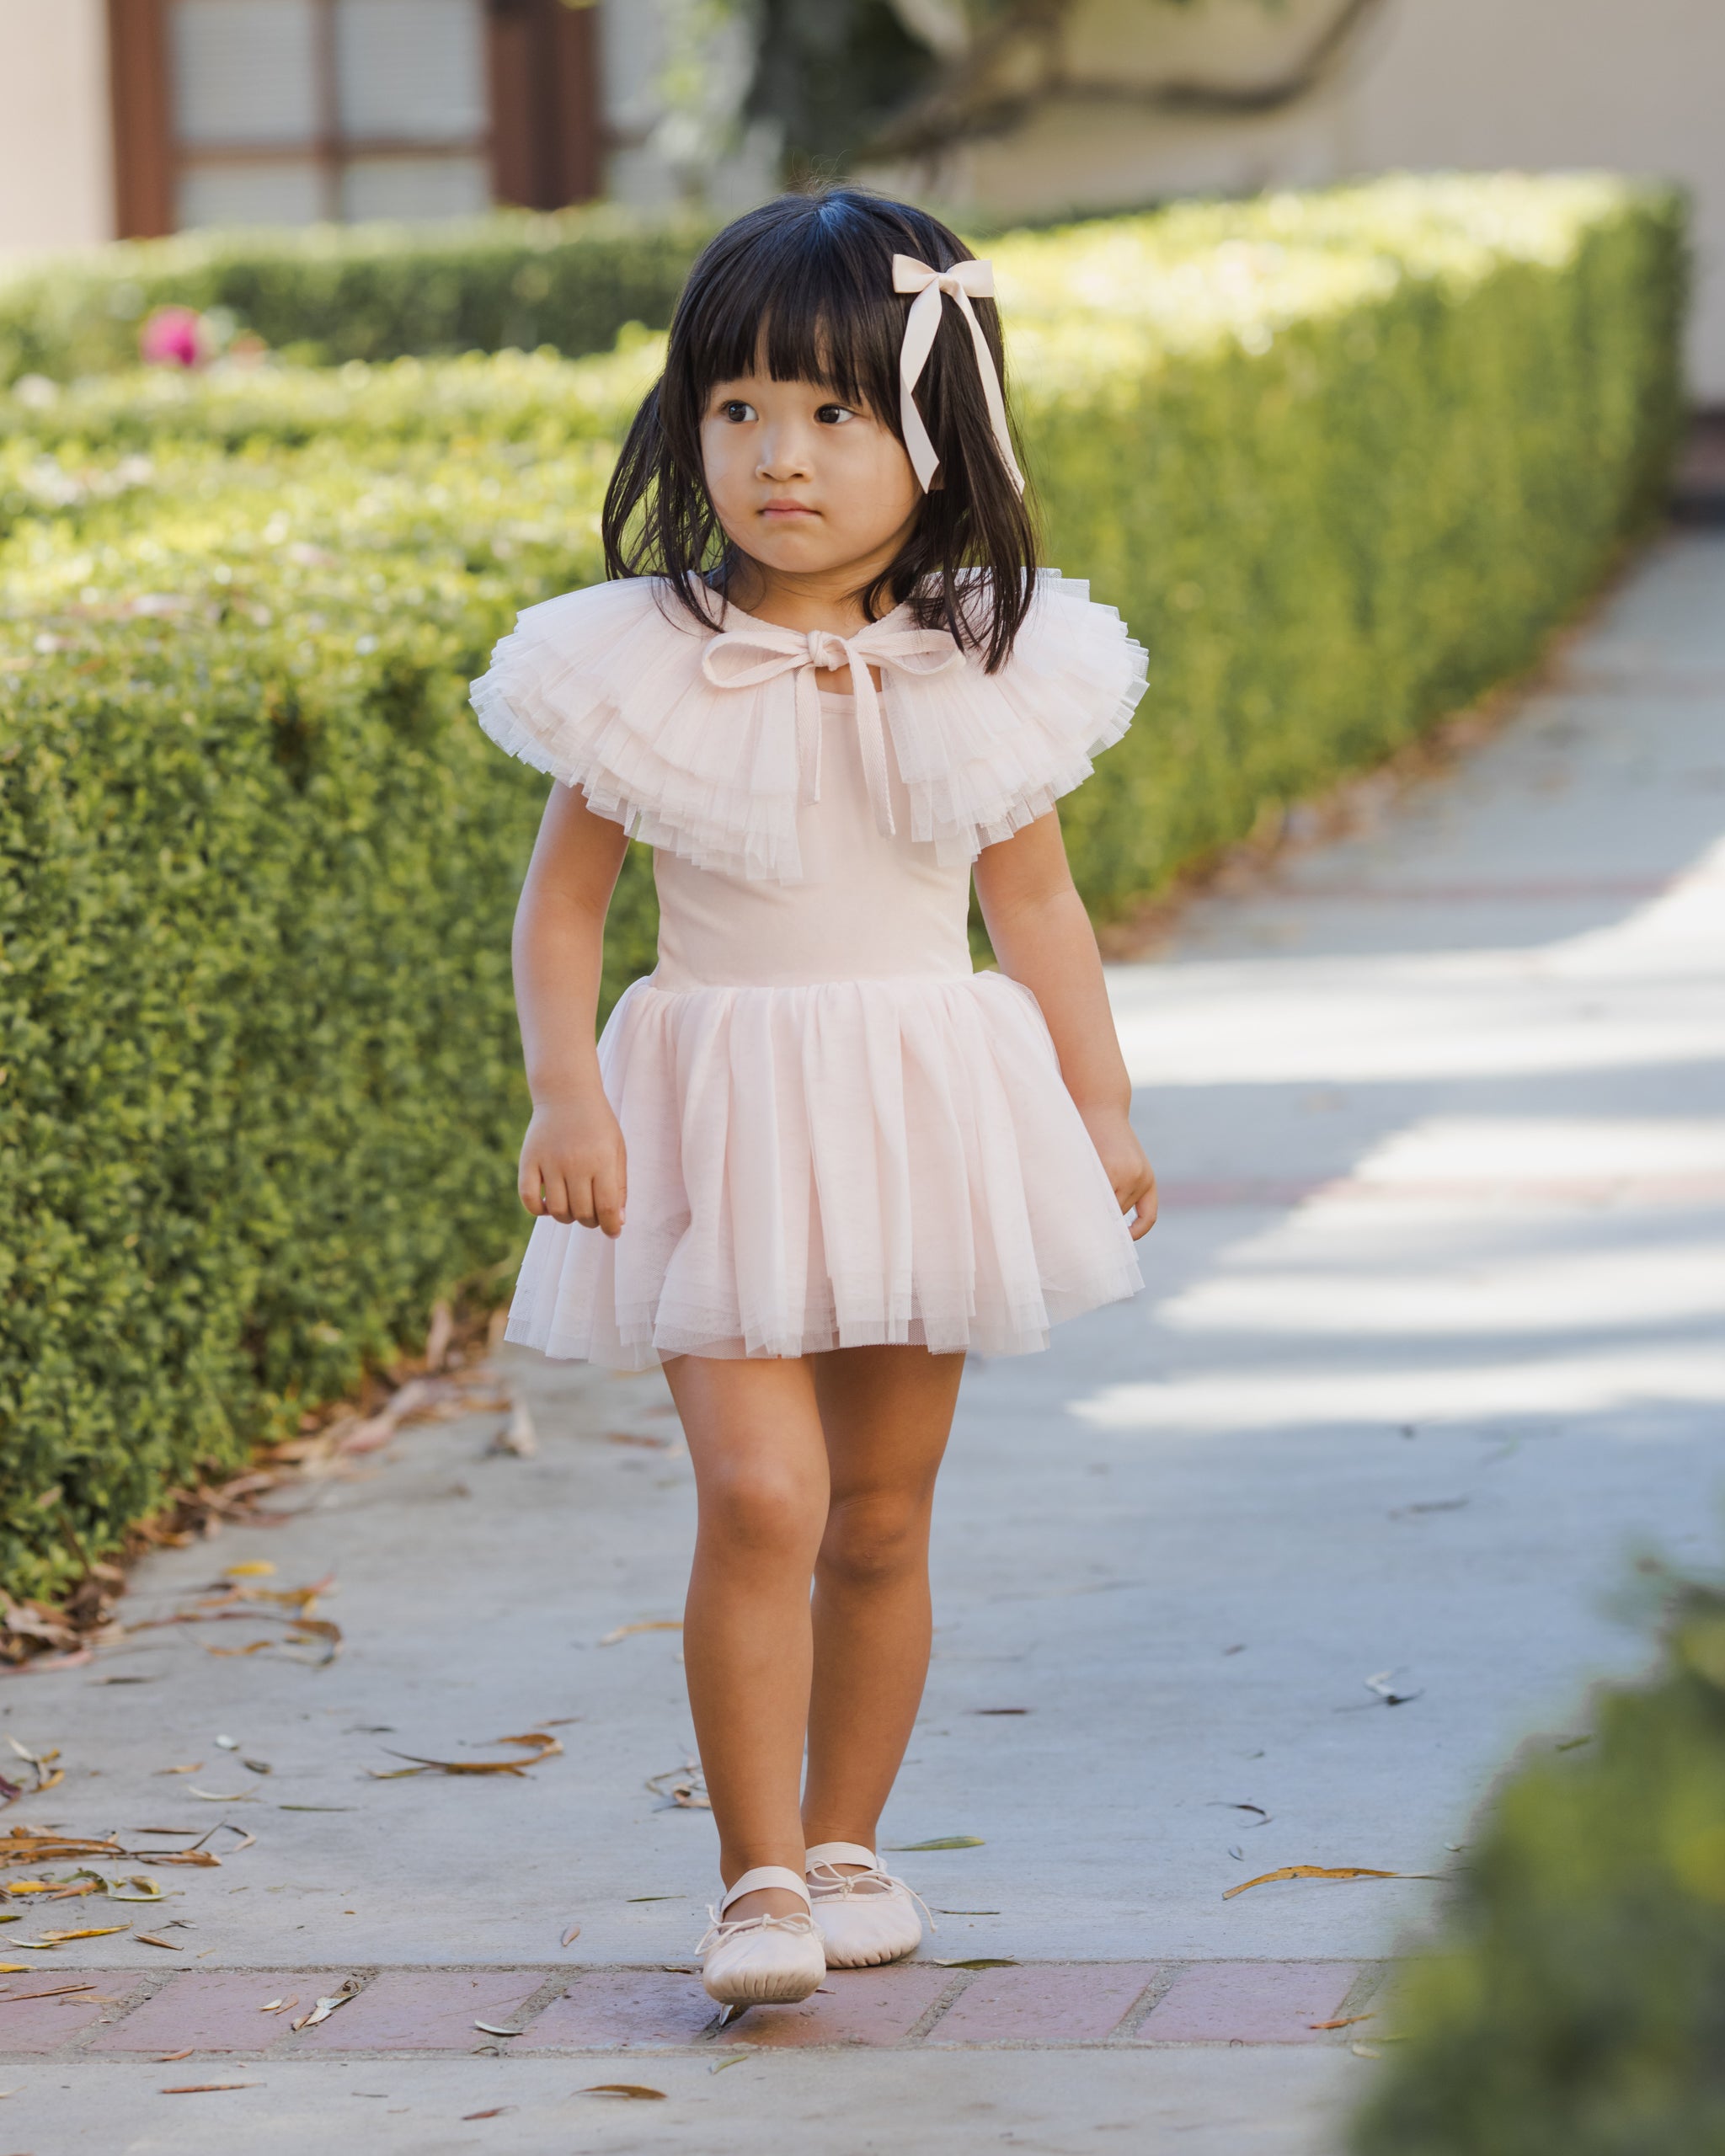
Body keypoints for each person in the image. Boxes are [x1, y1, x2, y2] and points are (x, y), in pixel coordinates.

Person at [470, 188, 1157, 2009]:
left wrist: (1098, 1110)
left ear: (938, 430)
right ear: (689, 421)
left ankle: (849, 1839)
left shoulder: (987, 659)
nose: (781, 455)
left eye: (837, 412)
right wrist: (565, 1094)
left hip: (920, 1110)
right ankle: (756, 1875)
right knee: (765, 1495)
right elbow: (563, 908)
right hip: (717, 1118)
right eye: (740, 408)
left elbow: (1038, 910)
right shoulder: (646, 658)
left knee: (881, 1512)